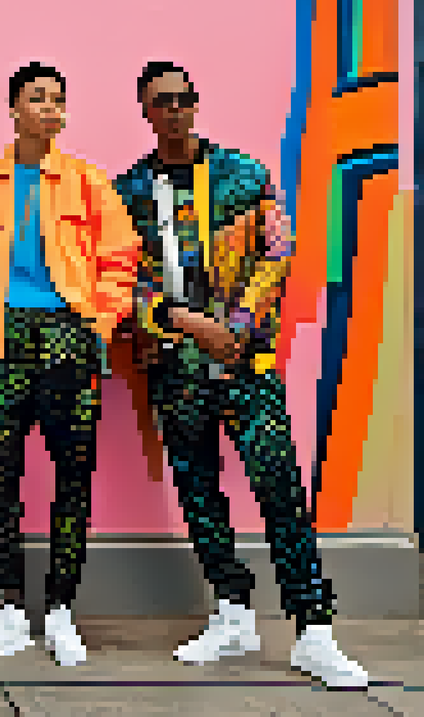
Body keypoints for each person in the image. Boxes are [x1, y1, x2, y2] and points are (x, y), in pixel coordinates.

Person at [113, 61, 369, 689]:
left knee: (279, 488)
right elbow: (125, 282)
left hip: (245, 363)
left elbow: (278, 253)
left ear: (196, 103)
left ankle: (313, 630)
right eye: (160, 103)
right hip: (176, 369)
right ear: (145, 113)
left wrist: (240, 323)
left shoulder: (244, 175)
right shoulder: (129, 192)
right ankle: (232, 613)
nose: (174, 111)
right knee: (199, 493)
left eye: (182, 99)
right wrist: (186, 323)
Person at [0, 62, 140, 667]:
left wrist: (95, 326)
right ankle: (7, 606)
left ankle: (60, 608)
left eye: (58, 100)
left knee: (73, 476)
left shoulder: (87, 184)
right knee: (0, 477)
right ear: (14, 109)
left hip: (68, 339)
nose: (50, 109)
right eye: (38, 99)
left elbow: (120, 259)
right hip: (1, 343)